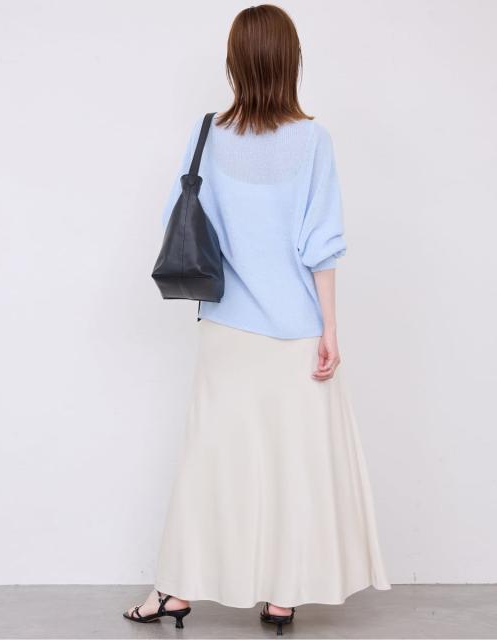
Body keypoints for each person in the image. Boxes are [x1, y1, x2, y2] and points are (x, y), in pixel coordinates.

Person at [124, 4, 390, 635]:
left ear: (234, 63)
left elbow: (178, 221)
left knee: (211, 463)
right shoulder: (314, 140)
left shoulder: (207, 134)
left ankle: (175, 592)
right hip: (297, 332)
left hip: (228, 330)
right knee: (292, 467)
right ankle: (281, 598)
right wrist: (330, 332)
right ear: (290, 61)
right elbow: (321, 244)